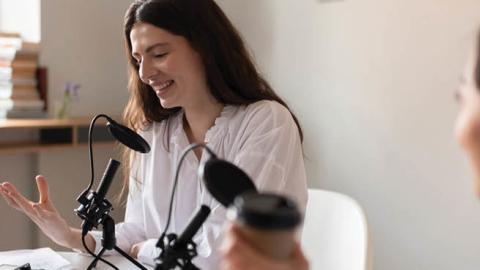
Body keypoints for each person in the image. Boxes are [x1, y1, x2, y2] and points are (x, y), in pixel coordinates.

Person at [0, 0, 307, 268]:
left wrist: (143, 250)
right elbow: (139, 228)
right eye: (138, 60)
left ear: (205, 47)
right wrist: (69, 236)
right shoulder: (154, 132)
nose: (145, 73)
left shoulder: (266, 123)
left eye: (158, 54)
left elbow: (224, 255)